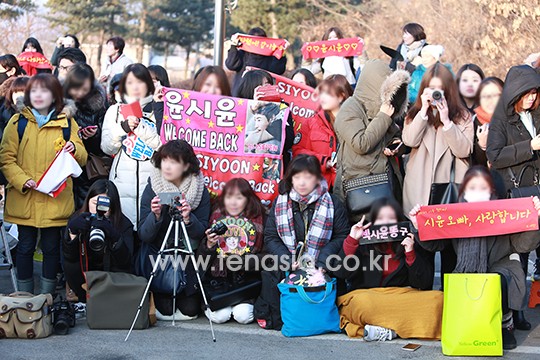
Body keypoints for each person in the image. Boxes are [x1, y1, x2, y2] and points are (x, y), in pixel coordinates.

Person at [410, 166, 540, 350]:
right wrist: (418, 225)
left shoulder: (504, 212)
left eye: (483, 188)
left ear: (492, 191)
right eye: (472, 188)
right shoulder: (455, 214)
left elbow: (523, 245)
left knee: (498, 280)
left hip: (501, 265)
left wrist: (535, 218)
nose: (477, 193)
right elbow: (436, 245)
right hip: (466, 268)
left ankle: (504, 324)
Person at [0, 73, 87, 295]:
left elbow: (83, 156)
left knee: (50, 248)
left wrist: (74, 149)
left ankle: (47, 299)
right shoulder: (17, 121)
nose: (39, 96)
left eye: (44, 91)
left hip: (54, 197)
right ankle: (24, 298)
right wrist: (22, 180)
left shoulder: (67, 122)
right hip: (25, 196)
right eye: (35, 91)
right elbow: (6, 158)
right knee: (25, 247)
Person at [335, 198, 442, 341]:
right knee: (362, 303)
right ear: (372, 221)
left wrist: (410, 253)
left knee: (438, 299)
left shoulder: (409, 241)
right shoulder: (363, 242)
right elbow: (341, 272)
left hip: (401, 297)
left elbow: (423, 283)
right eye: (380, 218)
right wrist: (352, 240)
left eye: (391, 218)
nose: (386, 222)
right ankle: (397, 328)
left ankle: (387, 329)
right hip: (370, 297)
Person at [486, 65, 540, 320]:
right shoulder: (501, 118)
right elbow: (494, 156)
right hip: (519, 194)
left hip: (538, 189)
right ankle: (516, 310)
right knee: (521, 249)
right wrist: (530, 145)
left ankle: (532, 298)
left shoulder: (537, 114)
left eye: (534, 93)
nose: (531, 98)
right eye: (526, 93)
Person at [138, 140, 210, 320]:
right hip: (160, 256)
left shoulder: (199, 189)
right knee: (166, 310)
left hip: (187, 257)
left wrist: (188, 217)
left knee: (190, 310)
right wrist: (154, 216)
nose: (167, 167)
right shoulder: (153, 186)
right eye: (164, 160)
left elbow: (200, 232)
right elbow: (144, 235)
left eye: (174, 162)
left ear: (186, 166)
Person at [334, 60, 410, 220]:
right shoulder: (350, 108)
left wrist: (395, 146)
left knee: (389, 239)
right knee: (362, 238)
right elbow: (361, 144)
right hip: (361, 186)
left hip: (385, 183)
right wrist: (383, 116)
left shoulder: (380, 108)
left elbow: (393, 135)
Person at [402, 63, 473, 215]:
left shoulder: (462, 116)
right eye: (431, 87)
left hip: (449, 188)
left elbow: (464, 151)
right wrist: (423, 112)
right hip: (419, 188)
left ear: (448, 89)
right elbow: (410, 141)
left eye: (439, 88)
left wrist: (447, 121)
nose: (435, 93)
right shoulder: (414, 114)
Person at [264, 154, 349, 274]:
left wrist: (324, 259)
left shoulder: (332, 202)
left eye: (308, 177)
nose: (302, 183)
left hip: (322, 270)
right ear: (291, 179)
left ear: (317, 178)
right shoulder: (280, 202)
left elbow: (341, 236)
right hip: (285, 272)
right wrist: (287, 261)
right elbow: (271, 237)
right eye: (297, 177)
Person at [101, 63, 162, 229]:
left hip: (152, 183)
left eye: (140, 82)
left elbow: (163, 146)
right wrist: (123, 128)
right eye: (130, 82)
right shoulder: (114, 111)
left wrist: (140, 127)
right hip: (121, 184)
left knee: (148, 236)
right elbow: (107, 147)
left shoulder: (158, 109)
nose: (135, 87)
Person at [198, 178, 266, 324]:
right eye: (229, 197)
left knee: (243, 316)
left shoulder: (260, 218)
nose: (233, 203)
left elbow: (268, 258)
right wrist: (209, 245)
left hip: (246, 283)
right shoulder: (215, 216)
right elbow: (200, 262)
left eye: (239, 197)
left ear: (248, 199)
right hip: (218, 284)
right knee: (220, 316)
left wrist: (241, 262)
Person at [63, 179, 134, 301]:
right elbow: (69, 257)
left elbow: (126, 261)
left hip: (112, 279)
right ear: (88, 200)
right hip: (84, 277)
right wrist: (73, 233)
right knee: (70, 264)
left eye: (105, 204)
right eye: (95, 202)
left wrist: (113, 235)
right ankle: (80, 296)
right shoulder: (78, 219)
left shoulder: (123, 223)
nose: (98, 208)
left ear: (113, 205)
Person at [293, 74, 353, 188]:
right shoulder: (312, 122)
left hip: (350, 187)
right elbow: (298, 152)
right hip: (320, 187)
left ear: (342, 96)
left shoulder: (356, 121)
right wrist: (326, 161)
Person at [64, 63, 110, 208]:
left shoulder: (99, 104)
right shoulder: (57, 102)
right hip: (60, 163)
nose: (80, 93)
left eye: (84, 89)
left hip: (87, 168)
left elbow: (105, 142)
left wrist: (94, 135)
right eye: (76, 88)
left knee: (83, 206)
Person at [236, 69, 294, 168]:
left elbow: (288, 141)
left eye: (268, 85)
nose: (266, 89)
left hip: (273, 167)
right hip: (245, 165)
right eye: (261, 87)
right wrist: (254, 105)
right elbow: (238, 140)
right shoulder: (239, 108)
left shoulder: (282, 108)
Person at [226, 27, 287, 96]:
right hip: (242, 95)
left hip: (263, 95)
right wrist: (233, 46)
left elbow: (278, 70)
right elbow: (231, 65)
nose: (257, 45)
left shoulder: (270, 57)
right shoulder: (243, 54)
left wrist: (281, 52)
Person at [471, 77, 504, 166]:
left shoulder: (513, 119)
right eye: (485, 96)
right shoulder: (473, 123)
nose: (490, 100)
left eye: (495, 95)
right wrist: (482, 146)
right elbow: (473, 163)